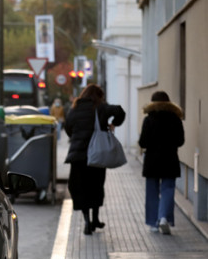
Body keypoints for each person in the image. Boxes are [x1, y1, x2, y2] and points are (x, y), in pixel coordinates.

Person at [64, 84, 126, 235]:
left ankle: (87, 221)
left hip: (78, 156)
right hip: (97, 154)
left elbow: (67, 127)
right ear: (99, 96)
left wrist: (77, 137)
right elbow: (120, 111)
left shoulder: (76, 108)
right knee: (96, 187)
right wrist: (113, 124)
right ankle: (95, 219)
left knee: (82, 188)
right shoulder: (101, 107)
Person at [138, 91, 184, 234]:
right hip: (170, 158)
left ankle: (153, 223)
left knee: (152, 191)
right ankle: (163, 217)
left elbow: (143, 142)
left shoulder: (148, 120)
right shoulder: (175, 119)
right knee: (168, 189)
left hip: (152, 160)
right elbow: (181, 141)